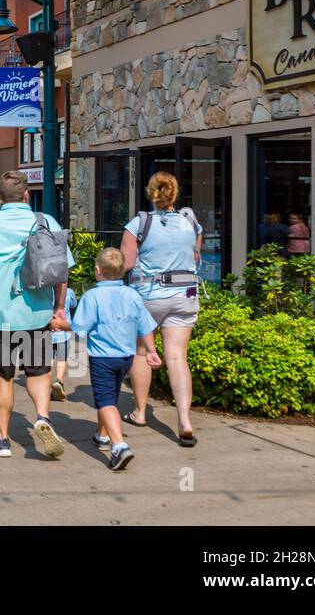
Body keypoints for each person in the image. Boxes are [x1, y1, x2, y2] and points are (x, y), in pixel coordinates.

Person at [0, 170, 74, 459]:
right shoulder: (46, 221)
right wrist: (58, 308)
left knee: (2, 376)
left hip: (0, 314)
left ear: (0, 197)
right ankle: (42, 417)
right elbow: (62, 271)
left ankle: (2, 440)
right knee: (39, 371)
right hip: (37, 314)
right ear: (27, 194)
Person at [54, 247, 162, 471]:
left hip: (102, 357)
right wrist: (151, 351)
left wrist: (57, 324)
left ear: (97, 270)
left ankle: (119, 446)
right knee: (111, 397)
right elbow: (145, 327)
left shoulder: (93, 296)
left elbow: (80, 328)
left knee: (105, 402)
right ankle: (102, 436)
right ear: (123, 270)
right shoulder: (133, 295)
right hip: (126, 357)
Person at [120, 171, 202, 447]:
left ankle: (141, 412)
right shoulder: (191, 222)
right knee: (178, 357)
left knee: (142, 353)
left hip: (149, 296)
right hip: (185, 294)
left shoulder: (139, 223)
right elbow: (195, 256)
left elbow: (126, 264)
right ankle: (185, 422)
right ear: (174, 193)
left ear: (150, 192)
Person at [50, 285, 78, 401]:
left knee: (48, 360)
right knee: (62, 359)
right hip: (63, 333)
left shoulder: (45, 293)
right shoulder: (69, 292)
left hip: (48, 332)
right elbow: (74, 305)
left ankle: (46, 384)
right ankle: (59, 381)